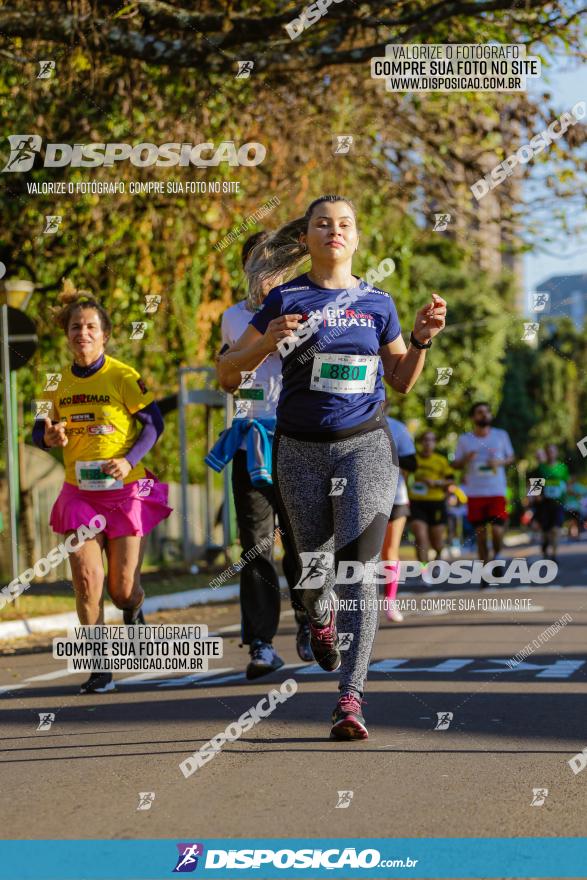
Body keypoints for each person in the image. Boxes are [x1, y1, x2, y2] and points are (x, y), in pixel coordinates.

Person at [218, 194, 446, 739]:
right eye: (323, 223)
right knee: (313, 564)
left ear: (356, 238)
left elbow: (404, 379)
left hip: (365, 445)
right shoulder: (284, 301)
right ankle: (318, 619)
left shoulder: (378, 303)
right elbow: (228, 375)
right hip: (297, 448)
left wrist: (419, 341)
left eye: (345, 223)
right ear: (308, 239)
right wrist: (265, 344)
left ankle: (351, 697)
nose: (334, 231)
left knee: (359, 572)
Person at [32, 281, 171, 694]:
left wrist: (128, 460)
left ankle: (134, 608)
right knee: (87, 582)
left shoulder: (124, 376)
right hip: (79, 493)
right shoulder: (53, 382)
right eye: (76, 327)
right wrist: (48, 437)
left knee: (121, 589)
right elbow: (38, 429)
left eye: (91, 326)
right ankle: (98, 666)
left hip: (125, 492)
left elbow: (155, 424)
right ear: (68, 334)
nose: (83, 334)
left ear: (105, 335)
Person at [209, 232, 312, 679]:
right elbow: (227, 379)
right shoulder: (233, 318)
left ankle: (311, 618)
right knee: (255, 545)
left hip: (298, 435)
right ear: (246, 267)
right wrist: (263, 342)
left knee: (301, 540)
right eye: (258, 262)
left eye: (275, 262)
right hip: (252, 438)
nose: (267, 271)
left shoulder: (308, 307)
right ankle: (261, 644)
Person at [453, 402, 515, 584]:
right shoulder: (465, 439)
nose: (484, 415)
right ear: (473, 417)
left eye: (487, 412)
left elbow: (510, 457)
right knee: (480, 535)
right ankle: (485, 571)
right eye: (480, 412)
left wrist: (500, 462)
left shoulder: (501, 435)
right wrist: (466, 458)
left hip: (496, 491)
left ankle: (497, 556)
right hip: (475, 493)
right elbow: (456, 464)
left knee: (496, 531)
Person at [382, 415, 417, 622]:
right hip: (359, 496)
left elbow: (413, 463)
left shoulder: (397, 427)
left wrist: (387, 454)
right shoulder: (348, 419)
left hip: (395, 497)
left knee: (389, 551)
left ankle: (390, 601)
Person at [408, 430, 454, 568]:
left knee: (437, 542)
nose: (428, 443)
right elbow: (403, 476)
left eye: (431, 440)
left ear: (435, 443)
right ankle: (424, 570)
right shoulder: (413, 460)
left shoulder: (441, 460)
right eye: (425, 440)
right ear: (421, 442)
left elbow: (451, 481)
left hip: (436, 503)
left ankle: (439, 556)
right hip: (417, 502)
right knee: (420, 538)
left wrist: (436, 483)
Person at [530, 444, 569, 562]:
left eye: (553, 451)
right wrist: (537, 496)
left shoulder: (563, 468)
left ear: (556, 453)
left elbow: (566, 484)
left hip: (558, 504)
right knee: (546, 531)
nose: (551, 454)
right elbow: (535, 489)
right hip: (544, 504)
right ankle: (545, 545)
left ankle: (554, 555)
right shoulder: (540, 468)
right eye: (548, 452)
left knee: (556, 529)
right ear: (546, 454)